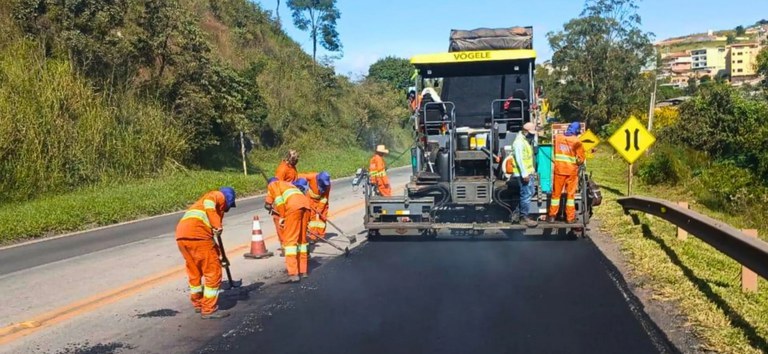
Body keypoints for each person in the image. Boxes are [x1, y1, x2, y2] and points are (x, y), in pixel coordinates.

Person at [175, 187, 237, 319]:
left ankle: (198, 303)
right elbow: (210, 205)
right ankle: (208, 309)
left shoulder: (200, 205)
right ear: (228, 199)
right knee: (213, 272)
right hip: (198, 235)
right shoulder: (217, 196)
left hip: (182, 236)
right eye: (229, 206)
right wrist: (217, 225)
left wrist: (218, 252)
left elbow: (209, 237)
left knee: (194, 270)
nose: (227, 209)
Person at [265, 178, 311, 283]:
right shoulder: (288, 185)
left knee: (290, 242)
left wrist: (282, 216)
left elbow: (278, 202)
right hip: (306, 205)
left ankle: (293, 273)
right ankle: (303, 271)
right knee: (302, 241)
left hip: (294, 208)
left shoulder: (273, 186)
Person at [548, 122, 586, 223]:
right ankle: (570, 218)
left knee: (556, 195)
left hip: (559, 170)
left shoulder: (558, 138)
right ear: (577, 131)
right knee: (570, 196)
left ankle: (552, 216)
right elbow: (580, 159)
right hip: (571, 172)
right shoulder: (577, 141)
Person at [512, 123, 538, 227]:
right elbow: (520, 160)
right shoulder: (519, 142)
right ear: (525, 131)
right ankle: (523, 217)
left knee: (531, 192)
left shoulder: (525, 140)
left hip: (528, 172)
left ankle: (518, 214)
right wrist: (524, 174)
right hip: (523, 174)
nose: (532, 135)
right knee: (526, 194)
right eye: (531, 133)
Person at [297, 171, 331, 241]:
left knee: (323, 216)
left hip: (321, 200)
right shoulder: (312, 176)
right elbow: (299, 176)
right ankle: (313, 236)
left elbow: (325, 198)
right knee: (312, 217)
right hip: (311, 198)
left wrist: (320, 209)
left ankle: (321, 235)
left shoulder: (328, 185)